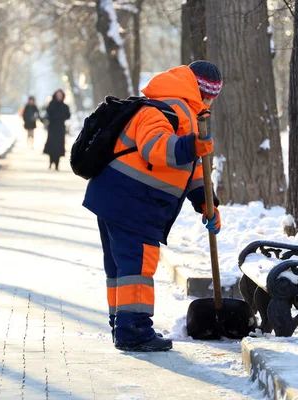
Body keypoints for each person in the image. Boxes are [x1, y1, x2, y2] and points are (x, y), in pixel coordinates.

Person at [83, 61, 223, 352]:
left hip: (120, 199)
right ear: (200, 92)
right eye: (209, 96)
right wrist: (192, 145)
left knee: (121, 269)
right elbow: (155, 148)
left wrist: (206, 203)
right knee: (136, 266)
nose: (210, 102)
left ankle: (122, 324)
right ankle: (134, 331)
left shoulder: (184, 112)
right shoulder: (161, 108)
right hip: (133, 202)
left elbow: (192, 168)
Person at [43, 89, 71, 170]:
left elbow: (68, 115)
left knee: (59, 146)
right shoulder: (51, 105)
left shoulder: (65, 106)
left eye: (60, 95)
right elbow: (47, 114)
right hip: (52, 128)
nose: (59, 97)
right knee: (51, 146)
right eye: (58, 95)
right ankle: (51, 162)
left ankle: (57, 164)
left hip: (60, 128)